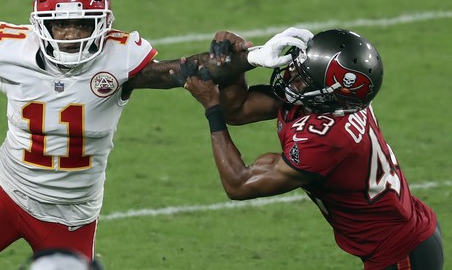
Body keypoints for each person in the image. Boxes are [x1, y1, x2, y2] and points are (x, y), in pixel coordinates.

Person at [0, 0, 251, 269]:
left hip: (71, 217)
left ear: (102, 22)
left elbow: (185, 70)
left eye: (81, 24)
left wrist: (245, 58)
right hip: (6, 192)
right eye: (60, 25)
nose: (70, 35)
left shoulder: (120, 58)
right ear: (39, 23)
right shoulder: (9, 50)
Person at [182, 27, 444, 269]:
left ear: (327, 93)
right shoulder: (332, 101)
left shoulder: (327, 140)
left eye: (303, 77)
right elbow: (238, 110)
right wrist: (237, 64)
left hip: (400, 253)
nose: (291, 77)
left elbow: (239, 184)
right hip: (406, 230)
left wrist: (212, 109)